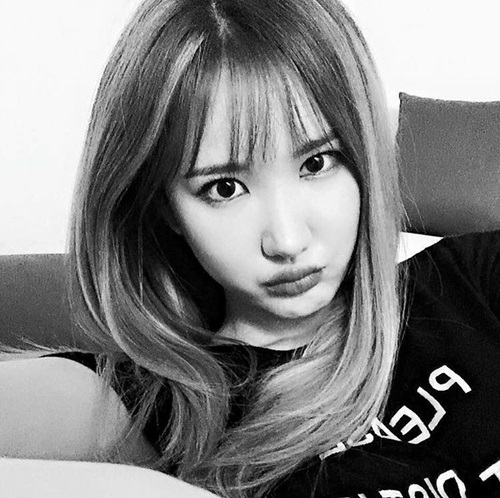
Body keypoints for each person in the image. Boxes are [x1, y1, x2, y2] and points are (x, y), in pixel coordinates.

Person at [1, 0, 499, 497]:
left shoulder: (470, 282)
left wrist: (363, 114)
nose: (287, 240)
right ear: (164, 209)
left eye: (317, 162)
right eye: (224, 188)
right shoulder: (158, 401)